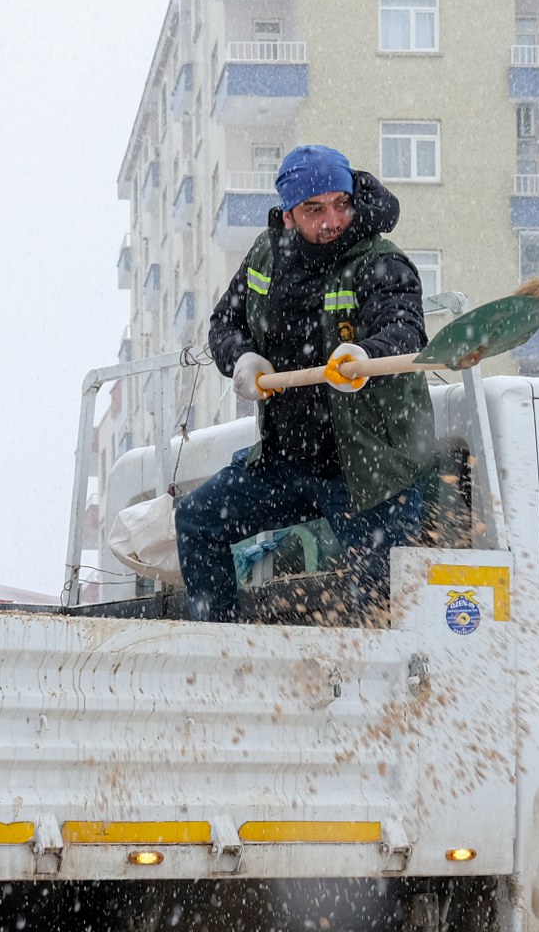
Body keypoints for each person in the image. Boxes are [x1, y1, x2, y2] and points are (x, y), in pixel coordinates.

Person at [178, 144, 438, 622]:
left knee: (380, 613)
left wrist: (366, 356)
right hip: (288, 463)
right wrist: (241, 358)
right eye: (314, 210)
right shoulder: (266, 255)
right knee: (197, 521)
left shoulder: (381, 261)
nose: (332, 220)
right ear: (288, 216)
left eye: (341, 203)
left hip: (368, 471)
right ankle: (218, 646)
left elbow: (404, 330)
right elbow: (224, 323)